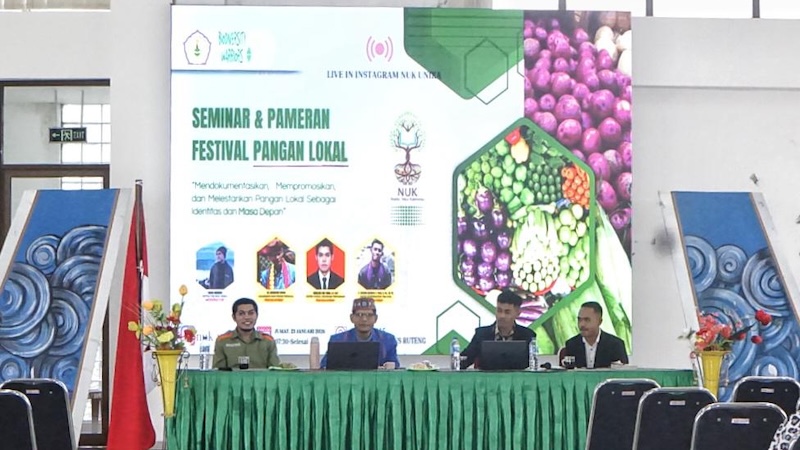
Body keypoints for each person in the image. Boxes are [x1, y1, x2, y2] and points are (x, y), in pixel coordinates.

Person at [461, 290, 536, 369]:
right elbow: (465, 360)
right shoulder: (481, 334)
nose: (502, 316)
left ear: (517, 313)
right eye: (499, 311)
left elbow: (533, 365)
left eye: (507, 312)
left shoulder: (527, 335)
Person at [320, 298, 400, 369]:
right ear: (351, 318)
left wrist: (391, 365)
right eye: (359, 315)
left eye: (369, 315)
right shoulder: (337, 340)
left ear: (375, 318)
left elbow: (394, 364)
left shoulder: (388, 340)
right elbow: (324, 365)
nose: (364, 319)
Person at [213, 297, 280, 369]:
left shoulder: (268, 340)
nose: (246, 317)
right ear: (234, 317)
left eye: (251, 313)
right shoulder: (222, 341)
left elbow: (274, 370)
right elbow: (218, 372)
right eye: (241, 314)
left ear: (257, 315)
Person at [562, 301, 628, 369]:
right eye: (579, 320)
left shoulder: (615, 345)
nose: (582, 324)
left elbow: (622, 373)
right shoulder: (572, 344)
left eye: (587, 320)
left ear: (599, 321)